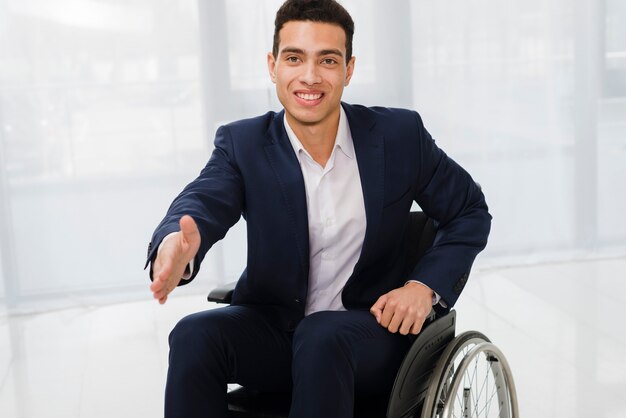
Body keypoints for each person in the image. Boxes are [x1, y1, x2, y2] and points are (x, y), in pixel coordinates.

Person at [146, 0, 491, 417]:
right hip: (278, 333)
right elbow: (203, 199)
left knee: (323, 335)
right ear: (273, 66)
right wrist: (176, 243)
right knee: (193, 335)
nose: (309, 76)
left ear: (348, 69)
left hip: (369, 335)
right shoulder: (244, 144)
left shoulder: (400, 136)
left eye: (327, 60)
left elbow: (468, 210)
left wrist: (422, 287)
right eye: (295, 58)